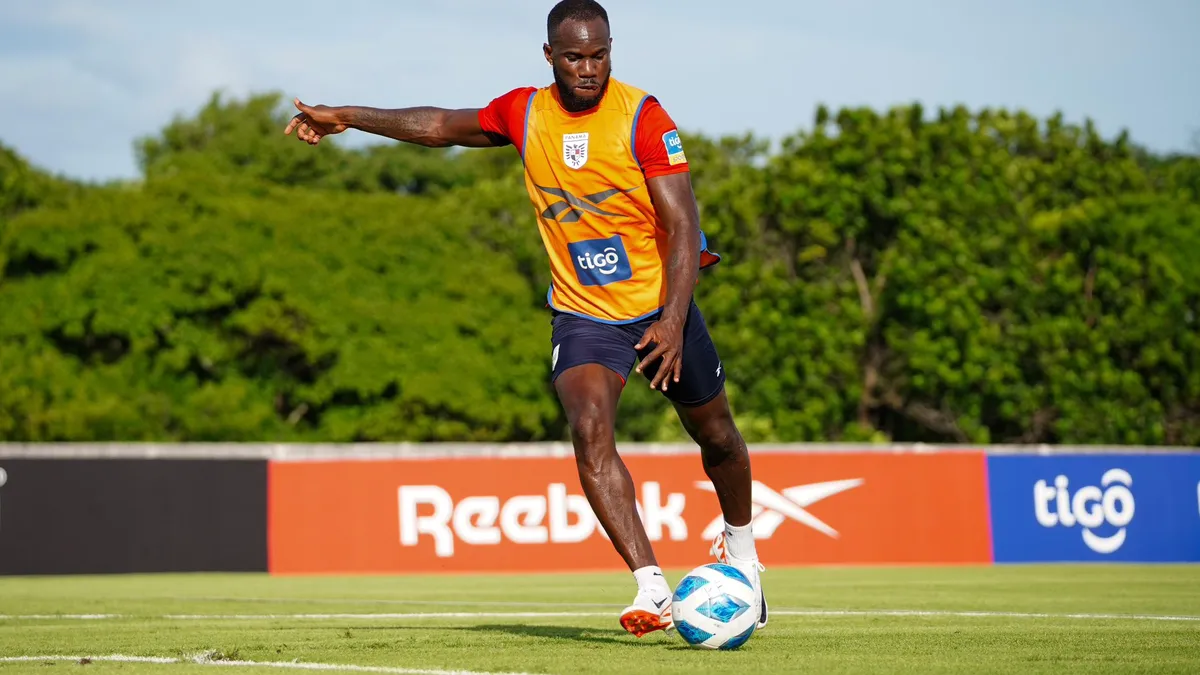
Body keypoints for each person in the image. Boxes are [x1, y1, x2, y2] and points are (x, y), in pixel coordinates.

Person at [284, 0, 766, 639]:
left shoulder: (644, 118)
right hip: (584, 315)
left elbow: (683, 226)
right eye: (574, 57)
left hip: (660, 306)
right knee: (589, 427)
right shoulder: (525, 112)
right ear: (549, 56)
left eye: (599, 55)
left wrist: (674, 321)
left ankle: (744, 555)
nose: (588, 68)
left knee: (719, 438)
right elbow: (438, 125)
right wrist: (347, 115)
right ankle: (651, 586)